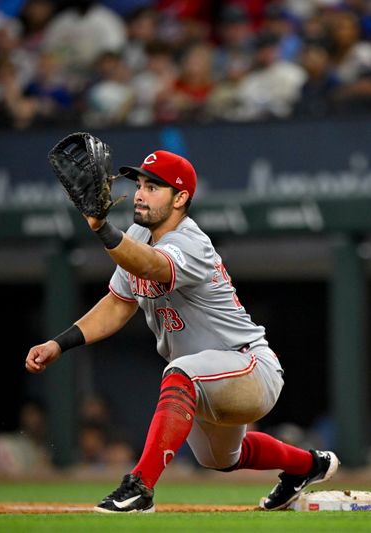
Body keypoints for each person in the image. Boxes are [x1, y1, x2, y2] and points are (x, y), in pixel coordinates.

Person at [25, 149, 339, 512]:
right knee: (221, 459)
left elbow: (151, 265)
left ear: (181, 198)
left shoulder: (192, 242)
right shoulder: (138, 234)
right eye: (139, 184)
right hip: (207, 378)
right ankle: (307, 466)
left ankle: (139, 488)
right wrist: (58, 344)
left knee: (179, 372)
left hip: (250, 367)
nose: (140, 194)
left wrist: (101, 228)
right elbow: (117, 305)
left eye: (154, 186)